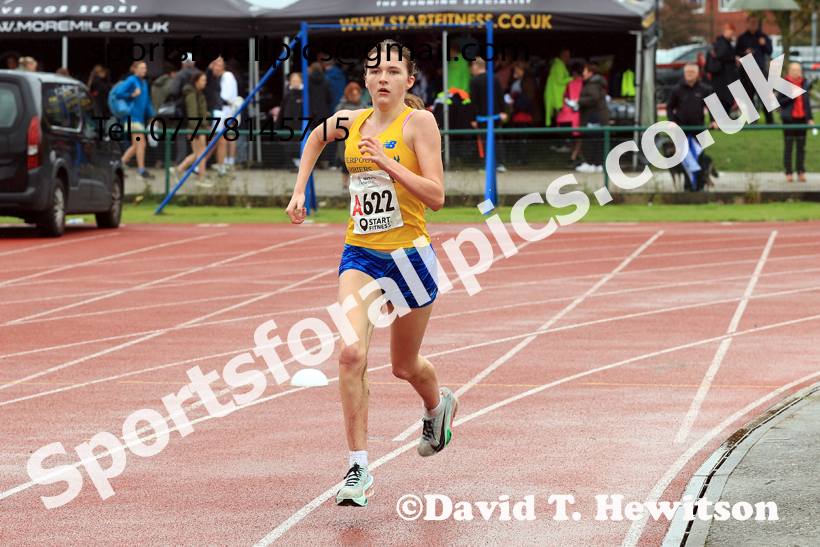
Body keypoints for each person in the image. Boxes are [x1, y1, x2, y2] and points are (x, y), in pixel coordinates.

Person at [285, 39, 458, 508]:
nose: (382, 77)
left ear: (409, 80)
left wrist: (386, 163)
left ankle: (437, 406)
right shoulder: (351, 120)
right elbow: (315, 137)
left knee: (405, 367)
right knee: (350, 352)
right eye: (374, 70)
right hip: (360, 254)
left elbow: (437, 196)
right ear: (365, 79)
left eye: (392, 71)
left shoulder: (417, 123)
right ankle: (359, 467)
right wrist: (300, 190)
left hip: (411, 259)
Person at [172, 71, 216, 187]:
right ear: (196, 81)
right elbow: (192, 114)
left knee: (198, 153)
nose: (205, 82)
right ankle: (201, 178)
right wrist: (196, 130)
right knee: (201, 153)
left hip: (199, 127)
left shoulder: (198, 93)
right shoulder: (191, 94)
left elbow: (198, 111)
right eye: (203, 80)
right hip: (196, 128)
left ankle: (178, 170)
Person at [115, 61, 155, 181]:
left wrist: (152, 116)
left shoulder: (144, 83)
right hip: (132, 118)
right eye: (142, 68)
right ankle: (141, 170)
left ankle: (120, 165)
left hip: (140, 119)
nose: (144, 70)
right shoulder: (131, 80)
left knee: (138, 144)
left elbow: (147, 101)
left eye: (145, 68)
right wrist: (131, 95)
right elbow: (118, 93)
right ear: (135, 69)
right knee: (140, 143)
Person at [468, 58, 508, 172]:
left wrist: (473, 118)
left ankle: (488, 165)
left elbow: (473, 101)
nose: (471, 71)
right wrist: (503, 111)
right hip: (496, 116)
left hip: (482, 118)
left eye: (471, 68)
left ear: (475, 67)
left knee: (485, 142)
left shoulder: (474, 81)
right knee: (498, 140)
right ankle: (501, 164)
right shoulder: (495, 78)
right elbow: (501, 95)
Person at [778, 62, 814, 182]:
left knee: (801, 147)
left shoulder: (803, 83)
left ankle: (800, 171)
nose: (796, 72)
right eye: (793, 70)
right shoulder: (784, 84)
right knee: (789, 146)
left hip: (802, 118)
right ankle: (788, 172)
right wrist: (791, 96)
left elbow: (806, 102)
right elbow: (780, 101)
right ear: (789, 71)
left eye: (798, 70)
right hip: (789, 119)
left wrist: (810, 118)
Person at [735, 16, 774, 124]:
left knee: (765, 96)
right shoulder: (742, 37)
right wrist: (745, 52)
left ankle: (770, 120)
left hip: (760, 70)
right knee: (749, 96)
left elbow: (770, 51)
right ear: (747, 23)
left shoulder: (763, 37)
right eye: (751, 22)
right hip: (747, 71)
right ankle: (753, 120)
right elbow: (737, 52)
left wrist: (764, 44)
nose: (753, 25)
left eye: (755, 22)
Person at [334, 81, 369, 192]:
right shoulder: (341, 106)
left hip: (361, 139)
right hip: (345, 140)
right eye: (352, 95)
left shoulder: (364, 105)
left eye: (357, 94)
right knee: (345, 165)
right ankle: (345, 185)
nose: (355, 97)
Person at [575, 63, 609, 173]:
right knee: (597, 141)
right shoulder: (596, 83)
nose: (582, 73)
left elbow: (593, 98)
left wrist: (578, 101)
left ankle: (590, 164)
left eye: (584, 70)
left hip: (593, 117)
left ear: (591, 72)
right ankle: (597, 164)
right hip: (597, 117)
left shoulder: (592, 84)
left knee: (590, 141)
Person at [666, 64, 718, 133]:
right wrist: (672, 121)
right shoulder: (676, 89)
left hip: (699, 126)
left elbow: (712, 106)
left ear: (697, 73)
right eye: (687, 72)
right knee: (680, 144)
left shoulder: (704, 89)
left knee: (705, 144)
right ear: (684, 73)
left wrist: (713, 121)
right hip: (680, 128)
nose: (689, 74)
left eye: (692, 72)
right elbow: (669, 106)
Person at [169, 55, 199, 165]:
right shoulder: (198, 74)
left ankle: (182, 160)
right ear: (194, 63)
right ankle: (196, 163)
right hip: (196, 110)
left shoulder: (179, 75)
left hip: (181, 111)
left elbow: (173, 91)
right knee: (196, 134)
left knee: (181, 135)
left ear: (182, 63)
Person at [555, 63, 584, 168]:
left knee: (574, 139)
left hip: (565, 118)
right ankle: (577, 157)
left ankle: (576, 156)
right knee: (579, 138)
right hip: (577, 117)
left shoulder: (570, 84)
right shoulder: (583, 83)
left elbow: (564, 98)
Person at [276, 72, 304, 171]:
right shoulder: (288, 95)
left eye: (297, 80)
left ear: (301, 81)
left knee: (300, 145)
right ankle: (290, 164)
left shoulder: (305, 95)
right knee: (289, 145)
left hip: (301, 126)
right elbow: (282, 111)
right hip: (289, 126)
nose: (295, 83)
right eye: (293, 81)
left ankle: (300, 164)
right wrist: (278, 125)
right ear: (290, 82)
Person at [709, 24, 739, 117]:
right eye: (728, 31)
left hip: (726, 75)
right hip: (722, 76)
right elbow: (721, 55)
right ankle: (723, 117)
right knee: (723, 97)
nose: (730, 33)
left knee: (727, 97)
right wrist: (734, 59)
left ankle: (724, 116)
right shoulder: (722, 42)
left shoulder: (727, 42)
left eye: (732, 31)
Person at [544, 48, 573, 127]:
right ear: (560, 56)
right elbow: (559, 81)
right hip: (557, 97)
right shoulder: (559, 65)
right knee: (560, 119)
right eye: (565, 56)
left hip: (557, 96)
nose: (567, 58)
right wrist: (573, 78)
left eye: (568, 56)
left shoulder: (559, 65)